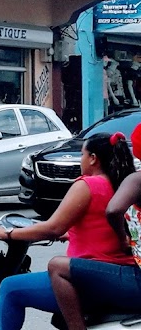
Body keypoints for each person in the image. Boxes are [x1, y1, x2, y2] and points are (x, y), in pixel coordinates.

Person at [0, 132, 136, 330]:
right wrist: (70, 234)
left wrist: (6, 233)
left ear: (93, 158)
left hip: (92, 279)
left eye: (82, 155)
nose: (81, 160)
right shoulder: (121, 184)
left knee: (10, 288)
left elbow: (52, 227)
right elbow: (103, 226)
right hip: (118, 273)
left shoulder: (87, 184)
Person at [49, 128, 141, 330]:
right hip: (129, 273)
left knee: (55, 267)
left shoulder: (136, 179)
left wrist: (123, 238)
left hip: (135, 278)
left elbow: (113, 210)